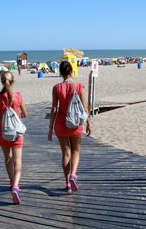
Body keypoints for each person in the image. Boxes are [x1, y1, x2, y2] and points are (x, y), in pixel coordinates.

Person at [48, 61, 91, 193]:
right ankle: (73, 175)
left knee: (65, 153)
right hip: (76, 123)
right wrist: (88, 122)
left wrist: (50, 128)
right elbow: (84, 108)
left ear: (60, 73)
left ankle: (67, 184)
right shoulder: (78, 86)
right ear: (71, 71)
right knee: (75, 152)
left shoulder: (56, 88)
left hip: (61, 123)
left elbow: (54, 109)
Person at [0, 71, 27, 204]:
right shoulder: (18, 96)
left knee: (7, 158)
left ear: (1, 81)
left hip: (2, 133)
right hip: (16, 133)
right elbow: (25, 113)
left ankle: (12, 183)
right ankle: (16, 186)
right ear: (13, 81)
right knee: (18, 163)